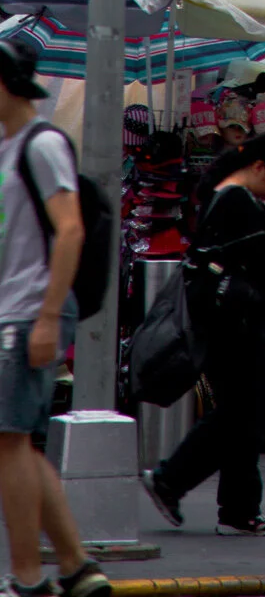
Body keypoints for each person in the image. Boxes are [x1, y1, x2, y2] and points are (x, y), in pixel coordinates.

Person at [142, 133, 265, 537]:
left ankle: (235, 507)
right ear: (260, 167)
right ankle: (176, 481)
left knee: (242, 415)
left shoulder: (225, 197)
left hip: (235, 323)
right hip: (240, 325)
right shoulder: (235, 201)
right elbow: (261, 264)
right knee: (241, 415)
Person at [0, 43, 110, 597]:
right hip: (16, 311)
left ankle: (27, 575)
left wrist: (46, 318)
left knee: (9, 442)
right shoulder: (9, 146)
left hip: (28, 312)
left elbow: (70, 229)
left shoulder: (42, 145)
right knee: (16, 443)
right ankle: (74, 566)